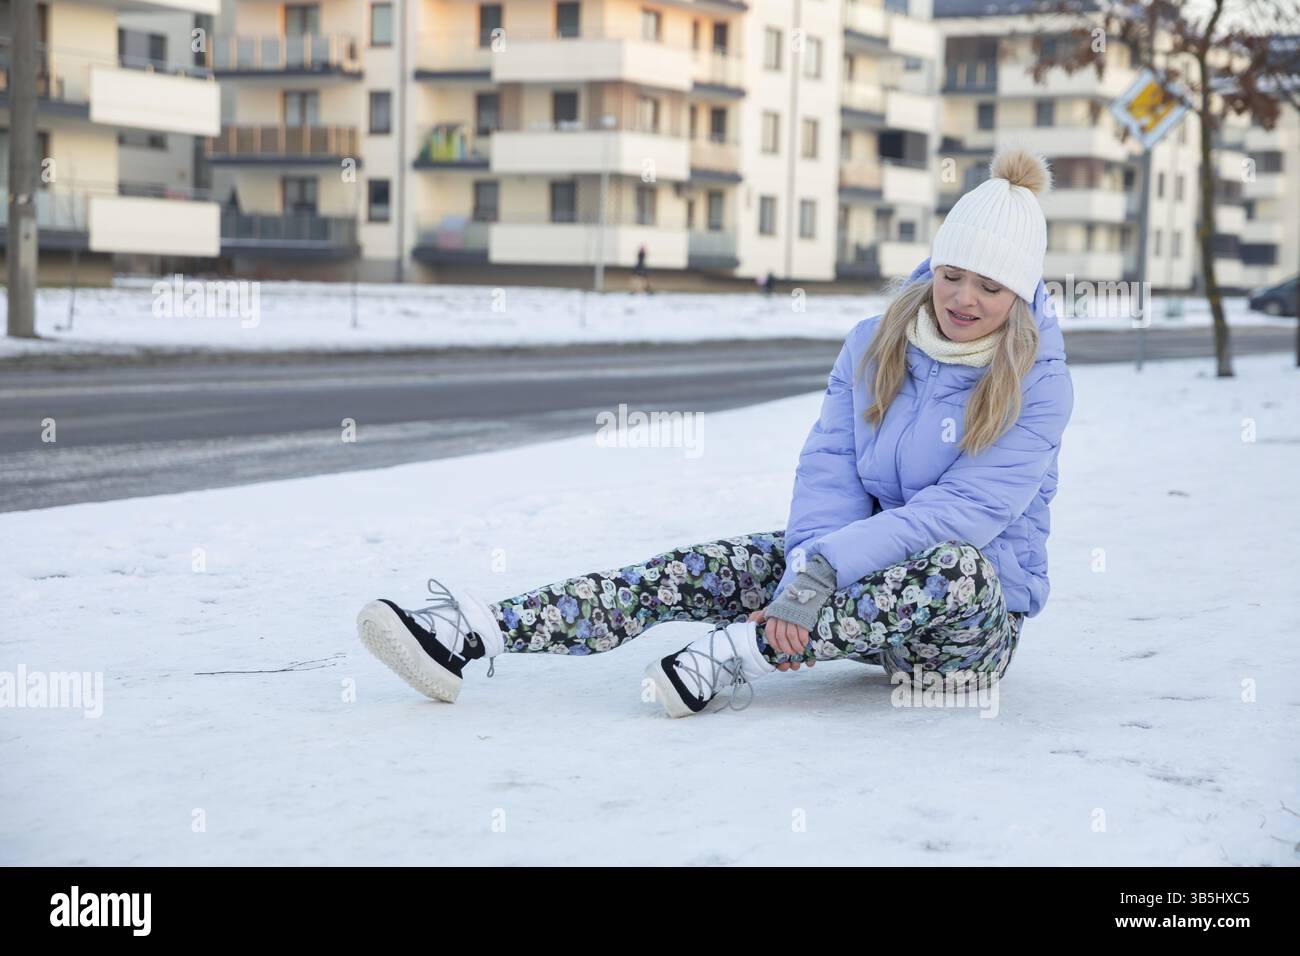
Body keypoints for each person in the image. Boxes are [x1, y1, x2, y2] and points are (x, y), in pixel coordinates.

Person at [356, 147, 1074, 718]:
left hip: (958, 642)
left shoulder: (1038, 379)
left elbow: (964, 514)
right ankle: (475, 632)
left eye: (990, 286)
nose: (964, 299)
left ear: (1020, 294)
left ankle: (736, 656)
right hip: (849, 591)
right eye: (952, 275)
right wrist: (802, 573)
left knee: (955, 563)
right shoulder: (874, 343)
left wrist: (819, 577)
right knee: (714, 563)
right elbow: (831, 471)